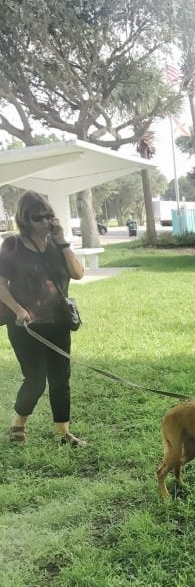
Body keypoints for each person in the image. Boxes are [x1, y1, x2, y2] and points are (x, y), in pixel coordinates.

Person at [0, 191, 86, 445]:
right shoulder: (12, 246)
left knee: (61, 379)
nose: (46, 221)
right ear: (25, 219)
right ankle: (19, 422)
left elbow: (78, 274)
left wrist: (63, 242)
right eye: (39, 217)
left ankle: (63, 432)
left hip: (58, 322)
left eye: (49, 216)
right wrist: (18, 309)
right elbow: (1, 282)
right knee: (36, 380)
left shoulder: (57, 245)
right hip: (25, 325)